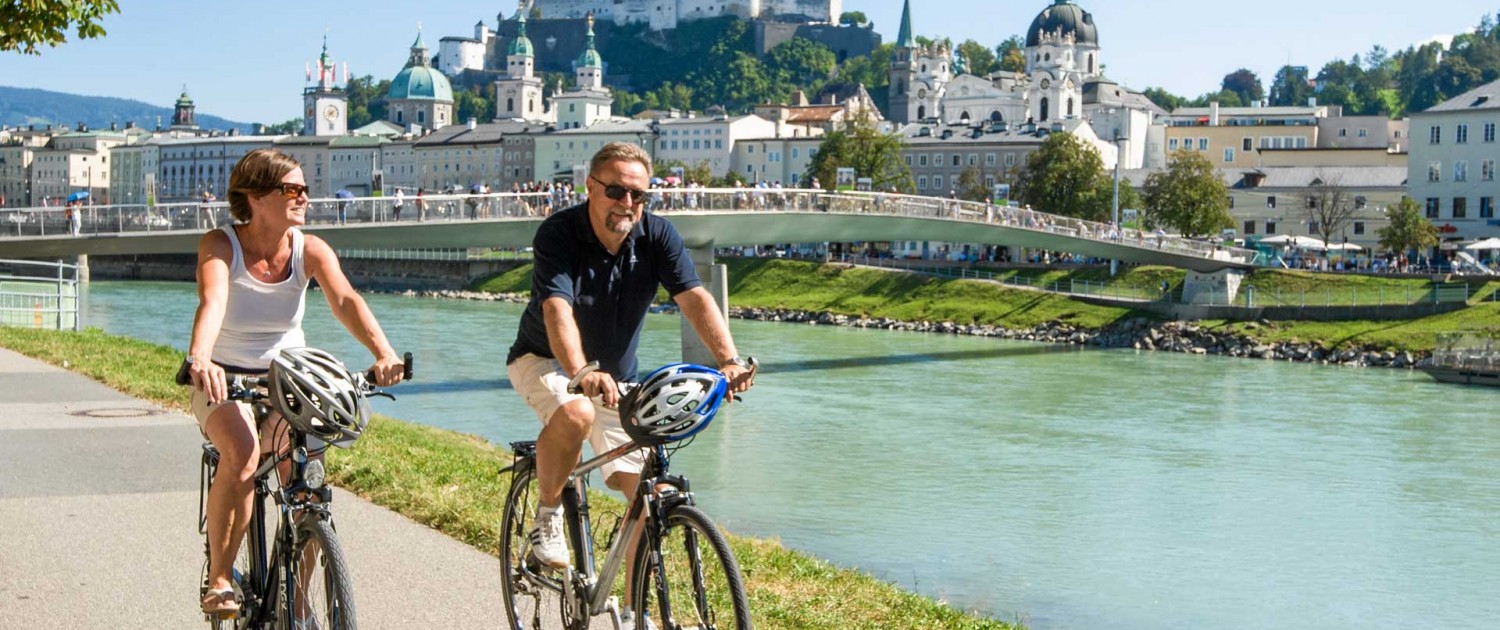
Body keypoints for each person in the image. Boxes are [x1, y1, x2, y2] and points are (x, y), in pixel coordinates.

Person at [505, 142, 755, 578]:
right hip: (543, 359)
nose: (627, 203)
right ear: (590, 186)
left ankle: (637, 609)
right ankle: (547, 519)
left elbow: (694, 297)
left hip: (616, 379)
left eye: (638, 195)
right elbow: (556, 310)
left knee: (650, 495)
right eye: (616, 191)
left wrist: (728, 360)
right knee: (578, 412)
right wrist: (581, 371)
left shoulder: (657, 235)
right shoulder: (559, 233)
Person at [184, 148, 405, 619]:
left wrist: (382, 353)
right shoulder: (221, 244)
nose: (304, 197)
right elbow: (213, 301)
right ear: (256, 196)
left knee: (307, 489)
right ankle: (221, 580)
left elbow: (345, 299)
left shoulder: (310, 248)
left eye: (305, 188)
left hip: (289, 381)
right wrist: (201, 357)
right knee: (242, 453)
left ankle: (298, 603)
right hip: (224, 378)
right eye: (292, 189)